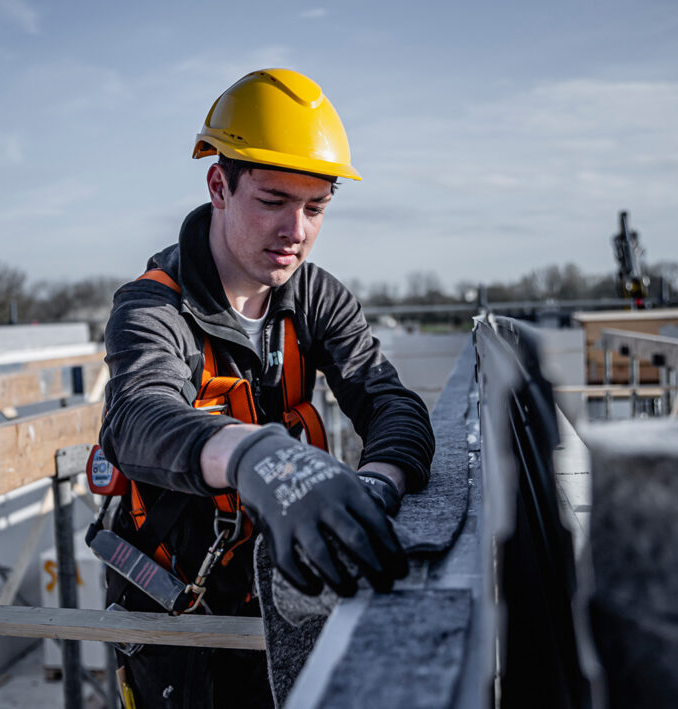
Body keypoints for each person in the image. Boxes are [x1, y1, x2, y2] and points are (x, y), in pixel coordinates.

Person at [99, 68, 434, 708]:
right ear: (218, 185)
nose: (297, 231)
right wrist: (256, 455)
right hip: (176, 614)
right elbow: (138, 417)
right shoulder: (152, 308)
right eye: (274, 201)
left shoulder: (315, 296)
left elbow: (388, 401)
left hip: (287, 590)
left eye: (316, 207)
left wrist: (377, 484)